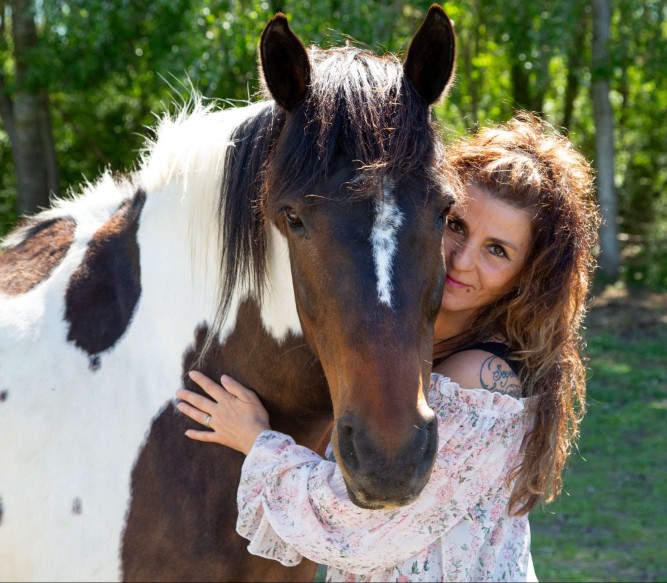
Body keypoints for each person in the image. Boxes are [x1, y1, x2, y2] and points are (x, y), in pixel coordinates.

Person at [176, 112, 600, 582]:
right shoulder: (399, 346)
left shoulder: (480, 379)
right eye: (456, 226)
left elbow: (361, 531)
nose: (462, 259)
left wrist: (256, 441)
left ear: (527, 276)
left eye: (496, 250)